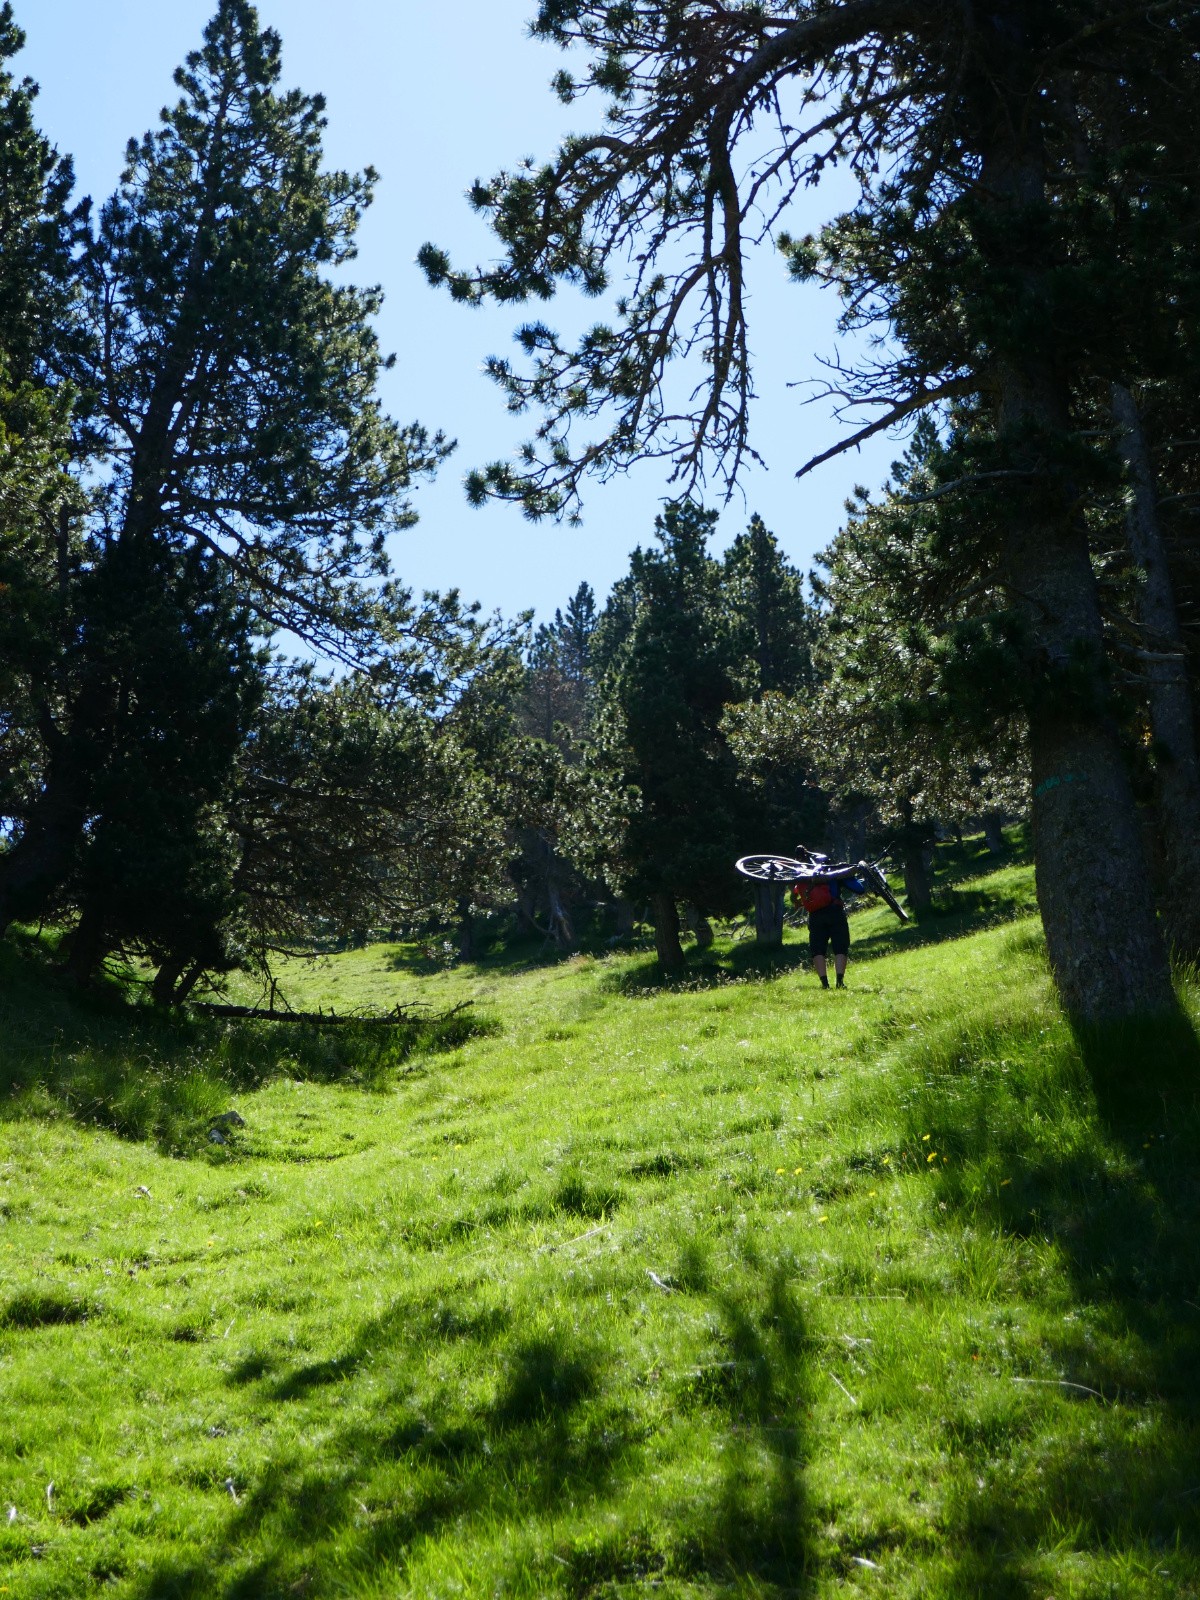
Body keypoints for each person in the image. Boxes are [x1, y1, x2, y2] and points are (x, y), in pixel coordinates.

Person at [791, 868, 864, 989]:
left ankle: (824, 984)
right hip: (835, 912)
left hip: (815, 916)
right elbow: (859, 889)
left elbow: (794, 898)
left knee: (817, 950)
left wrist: (800, 902)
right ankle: (840, 982)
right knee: (840, 947)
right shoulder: (833, 874)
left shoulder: (803, 877)